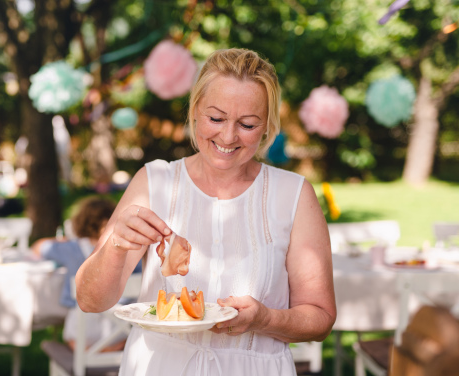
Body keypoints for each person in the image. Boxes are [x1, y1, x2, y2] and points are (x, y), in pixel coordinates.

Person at [75, 48, 336, 375]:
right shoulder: (154, 182)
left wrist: (266, 319)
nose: (228, 136)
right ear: (195, 110)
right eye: (216, 118)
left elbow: (320, 318)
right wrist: (115, 246)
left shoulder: (294, 194)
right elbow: (90, 301)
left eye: (248, 124)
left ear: (268, 125)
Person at [31, 196, 128, 352]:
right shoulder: (129, 251)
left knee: (73, 328)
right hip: (121, 328)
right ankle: (108, 350)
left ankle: (89, 353)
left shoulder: (71, 248)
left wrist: (63, 240)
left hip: (82, 331)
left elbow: (38, 247)